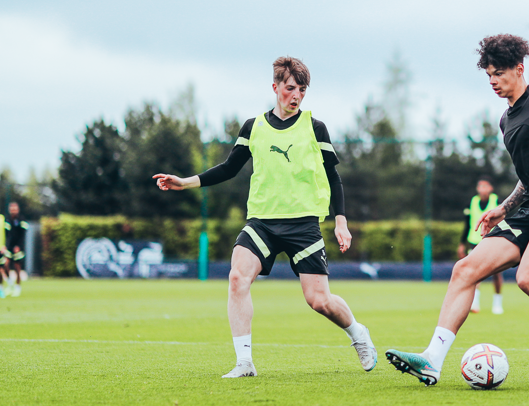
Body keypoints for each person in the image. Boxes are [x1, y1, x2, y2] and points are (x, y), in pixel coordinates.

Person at [385, 34, 529, 388]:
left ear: (519, 69)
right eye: (489, 76)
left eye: (499, 74)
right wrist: (503, 207)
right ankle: (432, 360)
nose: (494, 81)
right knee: (465, 269)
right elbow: (527, 177)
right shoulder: (506, 121)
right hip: (526, 213)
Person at [152, 56, 377, 378]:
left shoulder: (315, 128)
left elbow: (334, 177)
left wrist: (341, 221)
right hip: (262, 222)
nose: (296, 95)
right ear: (275, 87)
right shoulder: (253, 127)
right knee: (237, 278)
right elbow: (229, 168)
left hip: (303, 224)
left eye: (301, 89)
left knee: (319, 300)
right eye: (290, 88)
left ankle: (358, 334)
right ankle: (244, 363)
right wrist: (185, 182)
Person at [458, 177, 504, 314]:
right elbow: (467, 224)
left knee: (496, 272)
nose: (482, 189)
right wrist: (462, 243)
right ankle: (475, 303)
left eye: (485, 186)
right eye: (480, 186)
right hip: (474, 241)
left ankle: (497, 303)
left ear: (491, 188)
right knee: (475, 272)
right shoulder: (472, 202)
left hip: (493, 240)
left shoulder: (497, 202)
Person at [6, 202, 29, 297]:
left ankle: (18, 287)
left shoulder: (21, 220)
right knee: (5, 265)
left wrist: (19, 246)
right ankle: (10, 284)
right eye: (12, 209)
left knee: (17, 268)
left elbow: (23, 235)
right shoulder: (7, 220)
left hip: (18, 248)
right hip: (9, 247)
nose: (13, 211)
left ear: (18, 210)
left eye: (15, 209)